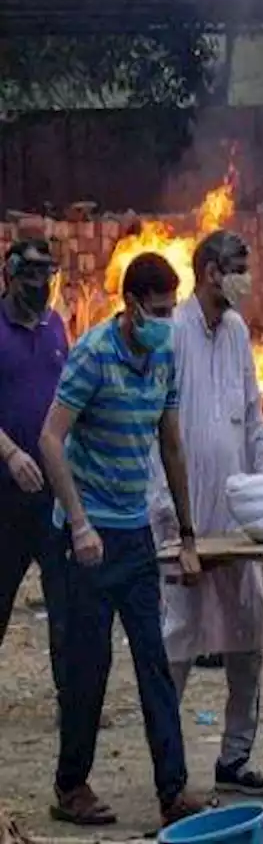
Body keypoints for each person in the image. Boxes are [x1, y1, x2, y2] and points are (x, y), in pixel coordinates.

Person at [39, 252, 205, 828]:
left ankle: (173, 791)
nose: (166, 320)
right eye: (158, 310)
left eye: (171, 309)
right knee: (89, 666)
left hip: (134, 532)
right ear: (132, 305)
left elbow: (172, 444)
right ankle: (70, 786)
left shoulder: (163, 356)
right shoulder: (92, 355)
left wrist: (186, 534)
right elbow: (51, 439)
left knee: (154, 662)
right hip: (88, 537)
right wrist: (79, 522)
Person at [150, 231, 263, 797]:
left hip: (235, 518)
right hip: (183, 518)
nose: (246, 279)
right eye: (239, 268)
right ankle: (169, 768)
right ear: (208, 272)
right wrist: (168, 523)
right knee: (176, 643)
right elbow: (155, 432)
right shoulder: (170, 333)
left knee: (247, 638)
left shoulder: (238, 332)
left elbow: (252, 419)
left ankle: (234, 758)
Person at [0, 238, 69, 701]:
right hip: (4, 494)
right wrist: (10, 453)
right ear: (9, 275)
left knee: (67, 603)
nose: (40, 285)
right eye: (31, 275)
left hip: (53, 493)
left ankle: (73, 702)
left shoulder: (55, 326)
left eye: (46, 275)